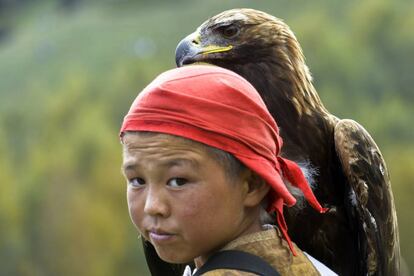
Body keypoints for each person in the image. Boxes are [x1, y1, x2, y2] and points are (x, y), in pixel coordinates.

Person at [119, 65, 337, 275]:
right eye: (137, 180)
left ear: (252, 185)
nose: (153, 206)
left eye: (178, 181)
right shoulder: (300, 262)